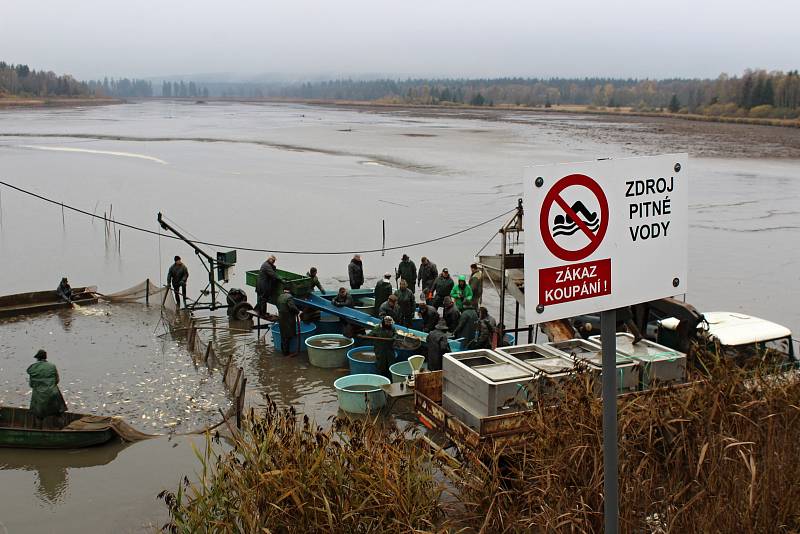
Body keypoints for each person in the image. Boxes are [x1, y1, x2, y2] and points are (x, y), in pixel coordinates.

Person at [27, 349, 67, 421]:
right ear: (45, 357)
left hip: (39, 396)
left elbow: (31, 384)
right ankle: (61, 427)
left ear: (37, 358)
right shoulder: (52, 366)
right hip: (53, 394)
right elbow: (57, 381)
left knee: (37, 415)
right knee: (58, 413)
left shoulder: (33, 368)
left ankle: (38, 429)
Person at [276, 288, 300, 355]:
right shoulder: (289, 297)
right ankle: (286, 353)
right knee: (287, 335)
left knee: (283, 335)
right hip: (288, 318)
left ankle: (283, 351)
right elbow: (292, 307)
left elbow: (277, 305)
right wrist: (297, 311)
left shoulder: (279, 296)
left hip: (281, 317)